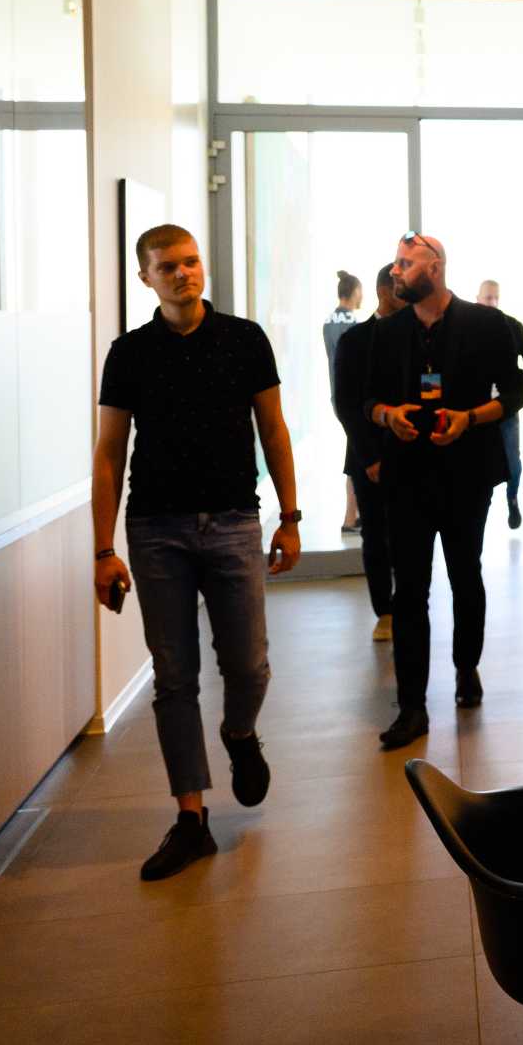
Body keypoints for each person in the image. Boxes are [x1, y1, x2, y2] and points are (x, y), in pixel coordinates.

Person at [91, 223, 300, 881]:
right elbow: (109, 454)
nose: (183, 274)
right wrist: (102, 549)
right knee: (174, 676)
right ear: (146, 278)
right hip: (156, 529)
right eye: (168, 267)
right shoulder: (129, 353)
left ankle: (239, 732)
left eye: (190, 262)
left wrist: (290, 518)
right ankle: (191, 818)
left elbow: (274, 430)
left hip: (235, 522)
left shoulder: (245, 339)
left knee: (249, 665)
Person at [364, 232, 523, 748]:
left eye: (405, 263)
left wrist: (469, 418)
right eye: (395, 263)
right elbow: (366, 399)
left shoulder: (486, 324)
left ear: (434, 268)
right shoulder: (389, 332)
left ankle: (465, 666)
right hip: (407, 477)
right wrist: (388, 416)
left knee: (465, 575)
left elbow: (516, 392)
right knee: (410, 589)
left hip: (467, 473)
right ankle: (412, 706)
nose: (396, 271)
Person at [333, 264, 408, 642]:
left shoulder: (421, 335)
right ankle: (385, 612)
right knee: (376, 536)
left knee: (411, 535)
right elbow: (346, 404)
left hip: (415, 455)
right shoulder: (354, 340)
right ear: (382, 291)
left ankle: (410, 605)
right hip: (369, 456)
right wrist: (371, 457)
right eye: (399, 289)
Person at [472, 279, 523, 529]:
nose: (492, 302)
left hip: (507, 408)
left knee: (512, 462)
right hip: (477, 408)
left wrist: (517, 390)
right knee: (480, 462)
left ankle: (512, 498)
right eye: (488, 297)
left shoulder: (513, 326)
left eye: (495, 297)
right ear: (478, 299)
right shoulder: (468, 329)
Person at [324, 271, 364, 532]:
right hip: (353, 398)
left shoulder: (328, 322)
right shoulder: (354, 323)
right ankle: (350, 516)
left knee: (355, 452)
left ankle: (353, 514)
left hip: (337, 396)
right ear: (356, 291)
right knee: (356, 455)